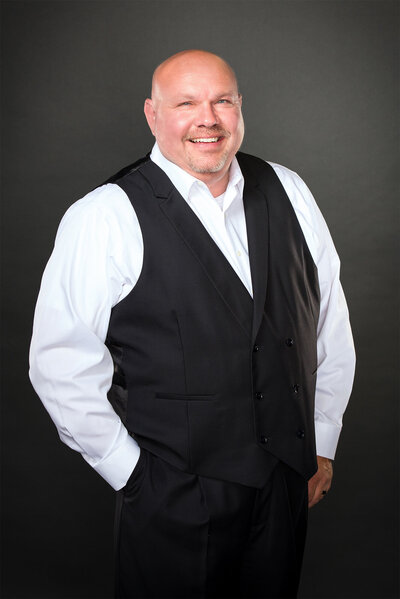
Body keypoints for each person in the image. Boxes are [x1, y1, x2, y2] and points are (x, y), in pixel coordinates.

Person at [29, 49, 355, 598]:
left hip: (284, 484)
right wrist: (132, 476)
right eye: (186, 103)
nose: (208, 118)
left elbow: (327, 322)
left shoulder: (289, 189)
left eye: (221, 100)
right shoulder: (106, 215)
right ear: (153, 115)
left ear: (239, 108)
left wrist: (322, 440)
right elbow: (59, 363)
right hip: (173, 495)